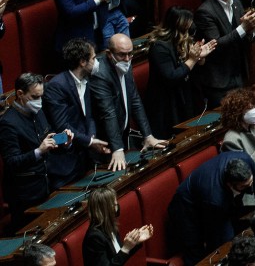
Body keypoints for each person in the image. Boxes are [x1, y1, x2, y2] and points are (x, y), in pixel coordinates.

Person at [168, 151, 255, 266]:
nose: (250, 187)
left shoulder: (244, 159)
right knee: (196, 248)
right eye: (244, 186)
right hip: (187, 207)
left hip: (210, 196)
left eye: (250, 182)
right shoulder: (215, 197)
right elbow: (219, 231)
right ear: (230, 185)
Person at [0, 73, 70, 226]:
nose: (39, 102)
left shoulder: (38, 112)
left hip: (45, 186)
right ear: (20, 94)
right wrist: (38, 151)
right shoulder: (8, 123)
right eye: (34, 97)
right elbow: (11, 161)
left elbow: (48, 138)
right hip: (24, 196)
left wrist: (64, 141)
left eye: (41, 97)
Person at [91, 34, 166, 171]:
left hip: (122, 134)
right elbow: (108, 112)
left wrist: (147, 135)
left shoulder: (126, 63)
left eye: (130, 54)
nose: (127, 59)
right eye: (122, 55)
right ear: (109, 54)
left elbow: (135, 100)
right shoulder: (100, 74)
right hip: (104, 143)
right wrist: (117, 148)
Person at [43, 39, 111, 187]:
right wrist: (90, 142)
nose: (96, 61)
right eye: (93, 58)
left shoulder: (86, 80)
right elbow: (62, 126)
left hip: (84, 159)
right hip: (64, 163)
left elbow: (89, 116)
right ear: (82, 61)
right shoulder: (57, 86)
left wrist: (91, 136)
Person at [145, 6, 215, 139]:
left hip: (185, 98)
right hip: (166, 106)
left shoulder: (184, 40)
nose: (190, 30)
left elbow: (194, 70)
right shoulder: (159, 47)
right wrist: (193, 59)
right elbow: (172, 77)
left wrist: (200, 58)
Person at [194, 0, 255, 106]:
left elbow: (247, 37)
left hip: (240, 73)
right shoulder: (205, 12)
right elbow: (216, 44)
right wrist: (244, 28)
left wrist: (250, 31)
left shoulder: (236, 2)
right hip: (219, 80)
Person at [83, 186, 154, 266]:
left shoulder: (110, 227)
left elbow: (119, 258)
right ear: (106, 210)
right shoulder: (94, 238)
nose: (117, 207)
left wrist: (135, 241)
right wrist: (126, 247)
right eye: (115, 205)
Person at [219, 87, 255, 180]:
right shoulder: (231, 139)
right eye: (249, 108)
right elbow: (241, 171)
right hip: (247, 188)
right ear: (237, 113)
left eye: (254, 106)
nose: (254, 111)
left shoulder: (254, 129)